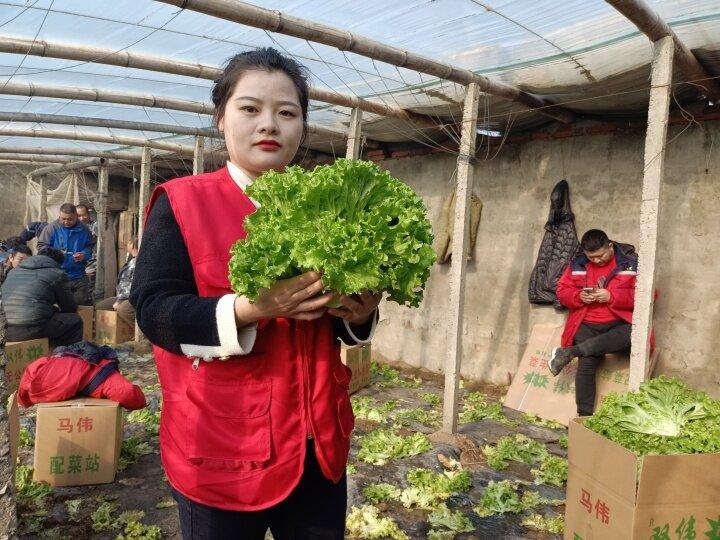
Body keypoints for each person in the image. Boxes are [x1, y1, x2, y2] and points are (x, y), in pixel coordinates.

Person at [130, 48, 380, 539]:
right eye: (250, 109)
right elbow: (154, 311)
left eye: (287, 113)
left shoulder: (328, 203)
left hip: (316, 443)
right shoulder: (183, 202)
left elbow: (334, 321)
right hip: (223, 449)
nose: (270, 124)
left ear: (302, 127)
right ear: (221, 118)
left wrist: (358, 313)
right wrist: (252, 309)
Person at [549, 229, 646, 416]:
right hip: (586, 324)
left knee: (634, 333)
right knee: (587, 363)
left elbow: (649, 294)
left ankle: (570, 352)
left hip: (619, 324)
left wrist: (613, 296)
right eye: (591, 257)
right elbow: (562, 291)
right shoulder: (577, 263)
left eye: (600, 255)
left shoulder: (631, 262)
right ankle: (584, 417)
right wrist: (578, 297)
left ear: (610, 246)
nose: (597, 260)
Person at [1, 247, 82, 347]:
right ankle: (67, 357)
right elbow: (70, 308)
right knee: (74, 320)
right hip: (28, 330)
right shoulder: (57, 274)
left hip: (5, 330)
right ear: (58, 263)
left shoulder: (13, 272)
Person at [37, 203, 95, 305]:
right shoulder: (51, 228)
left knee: (80, 307)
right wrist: (56, 254)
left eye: (70, 219)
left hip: (78, 276)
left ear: (76, 216)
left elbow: (90, 247)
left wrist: (84, 254)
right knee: (56, 307)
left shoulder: (84, 230)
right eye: (63, 219)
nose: (66, 222)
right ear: (59, 215)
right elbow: (42, 247)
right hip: (56, 275)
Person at [96, 237, 138, 327]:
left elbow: (131, 285)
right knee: (101, 306)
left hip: (132, 297)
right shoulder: (131, 259)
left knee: (123, 309)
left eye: (129, 243)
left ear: (132, 245)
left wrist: (120, 300)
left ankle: (142, 334)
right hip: (123, 296)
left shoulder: (138, 262)